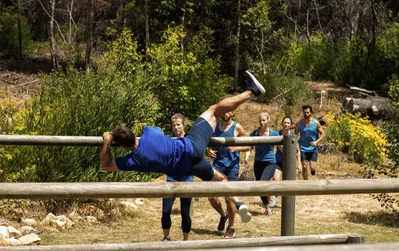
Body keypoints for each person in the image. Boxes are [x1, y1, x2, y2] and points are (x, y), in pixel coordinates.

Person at [101, 71, 265, 197]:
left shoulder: (134, 160)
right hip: (191, 147)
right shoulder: (149, 132)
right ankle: (251, 92)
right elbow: (157, 133)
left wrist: (107, 143)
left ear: (122, 146)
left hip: (185, 166)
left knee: (220, 180)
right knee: (213, 110)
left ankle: (236, 205)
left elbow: (106, 165)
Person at [208, 111, 251, 239]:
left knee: (229, 198)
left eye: (227, 111)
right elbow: (207, 141)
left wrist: (237, 148)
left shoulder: (237, 127)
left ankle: (231, 227)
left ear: (232, 112)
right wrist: (209, 150)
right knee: (211, 197)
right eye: (223, 111)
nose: (225, 113)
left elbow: (250, 145)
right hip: (217, 166)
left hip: (232, 167)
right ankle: (223, 215)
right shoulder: (214, 126)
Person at [161, 114, 193, 242]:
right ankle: (166, 237)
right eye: (174, 125)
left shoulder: (190, 140)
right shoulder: (169, 140)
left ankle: (186, 241)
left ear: (184, 125)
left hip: (187, 180)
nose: (176, 127)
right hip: (171, 180)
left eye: (178, 124)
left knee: (185, 213)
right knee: (165, 211)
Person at [245, 112, 279, 216]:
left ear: (268, 120)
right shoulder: (254, 133)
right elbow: (249, 146)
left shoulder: (274, 134)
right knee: (259, 186)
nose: (262, 122)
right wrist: (247, 156)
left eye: (264, 120)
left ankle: (270, 195)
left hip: (270, 162)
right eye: (260, 120)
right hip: (258, 162)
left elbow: (282, 146)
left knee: (262, 182)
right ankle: (267, 208)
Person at [271, 116, 302, 207]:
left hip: (289, 163)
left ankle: (288, 204)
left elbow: (297, 151)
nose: (286, 124)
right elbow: (282, 149)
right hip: (278, 161)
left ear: (290, 125)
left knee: (288, 185)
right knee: (276, 179)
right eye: (284, 122)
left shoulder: (293, 136)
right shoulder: (277, 134)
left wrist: (299, 163)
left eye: (288, 123)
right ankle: (272, 198)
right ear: (282, 123)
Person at [295, 105, 325, 180]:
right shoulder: (299, 123)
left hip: (313, 149)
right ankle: (306, 182)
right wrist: (296, 146)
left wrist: (316, 142)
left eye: (307, 112)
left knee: (312, 167)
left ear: (311, 113)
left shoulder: (316, 123)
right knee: (304, 166)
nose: (306, 114)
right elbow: (295, 135)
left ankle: (313, 170)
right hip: (302, 148)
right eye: (304, 112)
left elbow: (323, 134)